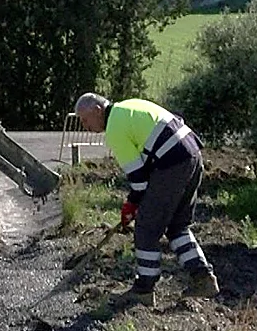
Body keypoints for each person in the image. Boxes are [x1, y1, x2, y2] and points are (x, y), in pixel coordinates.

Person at [74, 93, 220, 308]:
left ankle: (144, 290)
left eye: (85, 120)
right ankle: (203, 278)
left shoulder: (114, 128)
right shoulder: (130, 106)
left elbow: (138, 178)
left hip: (173, 163)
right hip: (192, 155)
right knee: (177, 226)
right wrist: (135, 202)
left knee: (146, 229)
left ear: (97, 110)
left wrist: (132, 205)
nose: (85, 126)